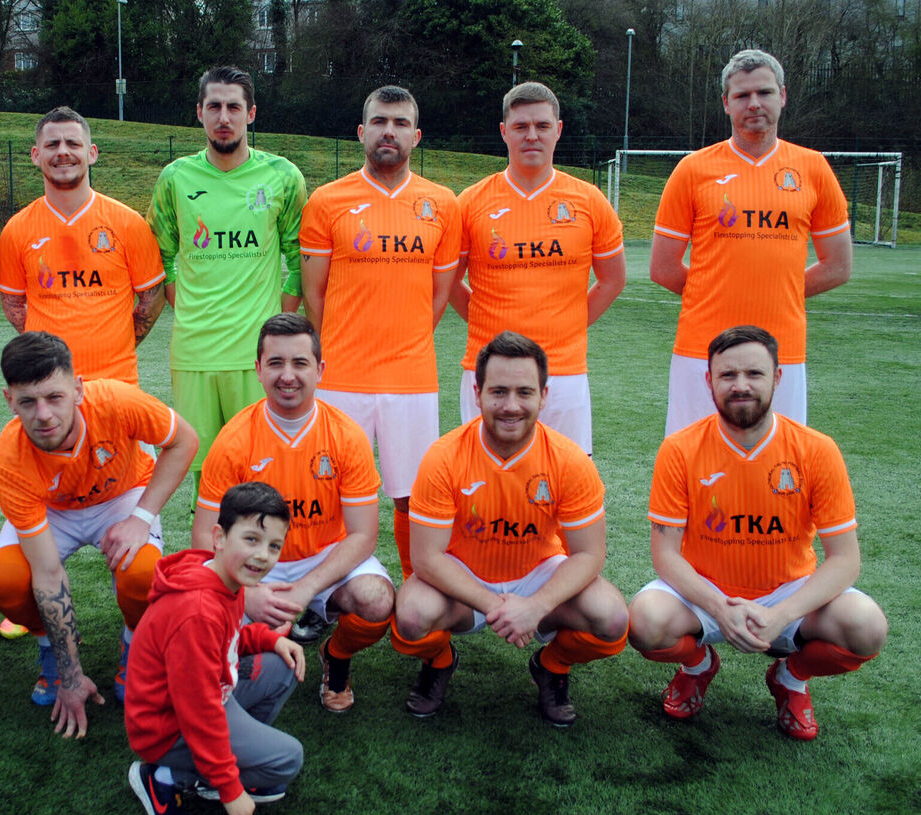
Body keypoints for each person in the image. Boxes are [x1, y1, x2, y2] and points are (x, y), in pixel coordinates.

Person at [629, 325, 887, 741]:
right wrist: (720, 606)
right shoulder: (679, 449)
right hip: (706, 591)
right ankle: (697, 665)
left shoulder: (817, 450)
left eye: (754, 374)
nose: (741, 385)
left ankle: (791, 676)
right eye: (728, 375)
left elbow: (845, 559)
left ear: (778, 378)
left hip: (788, 592)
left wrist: (780, 615)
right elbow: (666, 556)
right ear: (709, 381)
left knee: (866, 628)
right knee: (645, 623)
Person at [391, 332, 628, 724]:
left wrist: (535, 606)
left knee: (612, 619)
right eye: (499, 391)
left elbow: (590, 554)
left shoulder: (568, 460)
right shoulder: (444, 457)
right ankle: (439, 660)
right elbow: (426, 558)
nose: (511, 406)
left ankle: (553, 666)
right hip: (463, 576)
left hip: (537, 574)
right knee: (411, 618)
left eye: (524, 392)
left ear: (544, 395)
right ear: (478, 392)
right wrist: (495, 607)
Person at [0, 332, 197, 738]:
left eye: (55, 397)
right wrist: (70, 676)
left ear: (79, 389)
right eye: (28, 402)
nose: (43, 414)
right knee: (8, 581)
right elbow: (48, 574)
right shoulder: (10, 459)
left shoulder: (116, 401)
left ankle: (135, 644)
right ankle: (52, 650)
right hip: (53, 510)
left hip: (120, 497)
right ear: (9, 400)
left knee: (142, 573)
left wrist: (141, 517)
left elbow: (183, 440)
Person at [191, 313, 394, 712]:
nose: (288, 375)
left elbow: (363, 535)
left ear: (320, 370)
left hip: (324, 557)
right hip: (255, 562)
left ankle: (336, 656)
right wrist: (247, 594)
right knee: (206, 618)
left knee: (376, 600)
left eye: (300, 363)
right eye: (276, 363)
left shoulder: (345, 435)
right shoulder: (234, 438)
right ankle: (241, 661)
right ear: (258, 369)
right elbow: (203, 536)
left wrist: (304, 589)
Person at [300, 85, 460, 582]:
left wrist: (405, 340)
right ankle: (321, 592)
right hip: (341, 377)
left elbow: (438, 296)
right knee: (326, 489)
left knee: (412, 494)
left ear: (416, 135)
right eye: (379, 121)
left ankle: (418, 587)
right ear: (361, 131)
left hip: (411, 378)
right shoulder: (328, 200)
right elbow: (316, 295)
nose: (388, 131)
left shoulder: (442, 203)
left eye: (399, 123)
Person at [651, 49, 852, 435]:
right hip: (702, 349)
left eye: (764, 92)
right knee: (694, 463)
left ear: (783, 96)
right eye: (742, 96)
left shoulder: (813, 169)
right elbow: (662, 268)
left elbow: (838, 266)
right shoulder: (693, 170)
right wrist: (716, 294)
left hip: (782, 350)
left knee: (779, 468)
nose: (754, 104)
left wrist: (781, 292)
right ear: (726, 103)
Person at [146, 66, 306, 488]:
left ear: (251, 113)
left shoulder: (283, 177)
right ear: (199, 112)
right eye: (214, 106)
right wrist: (189, 306)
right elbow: (161, 258)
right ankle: (208, 556)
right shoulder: (175, 179)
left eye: (233, 107)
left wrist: (276, 321)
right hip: (194, 354)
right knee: (206, 477)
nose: (223, 117)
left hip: (255, 357)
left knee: (263, 472)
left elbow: (299, 259)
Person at [451, 82, 625, 455]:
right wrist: (488, 321)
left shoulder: (589, 200)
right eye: (521, 126)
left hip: (565, 371)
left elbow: (612, 279)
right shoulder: (470, 202)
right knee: (485, 483)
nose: (532, 135)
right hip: (487, 370)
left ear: (558, 130)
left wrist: (569, 322)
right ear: (504, 132)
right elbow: (449, 281)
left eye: (542, 126)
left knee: (566, 487)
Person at [127, 482, 306, 815]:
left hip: (200, 697)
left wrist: (270, 639)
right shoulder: (196, 611)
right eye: (251, 539)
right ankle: (165, 778)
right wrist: (229, 786)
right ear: (219, 537)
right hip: (168, 725)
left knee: (281, 664)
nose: (262, 556)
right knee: (287, 759)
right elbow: (198, 711)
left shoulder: (223, 577)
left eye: (273, 546)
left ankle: (217, 764)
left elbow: (228, 641)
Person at [0, 106, 166, 384]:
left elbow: (153, 298)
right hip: (49, 387)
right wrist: (50, 352)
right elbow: (13, 304)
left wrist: (117, 342)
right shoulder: (17, 228)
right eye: (52, 144)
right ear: (36, 155)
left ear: (92, 153)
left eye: (73, 143)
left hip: (117, 383)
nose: (63, 151)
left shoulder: (127, 222)